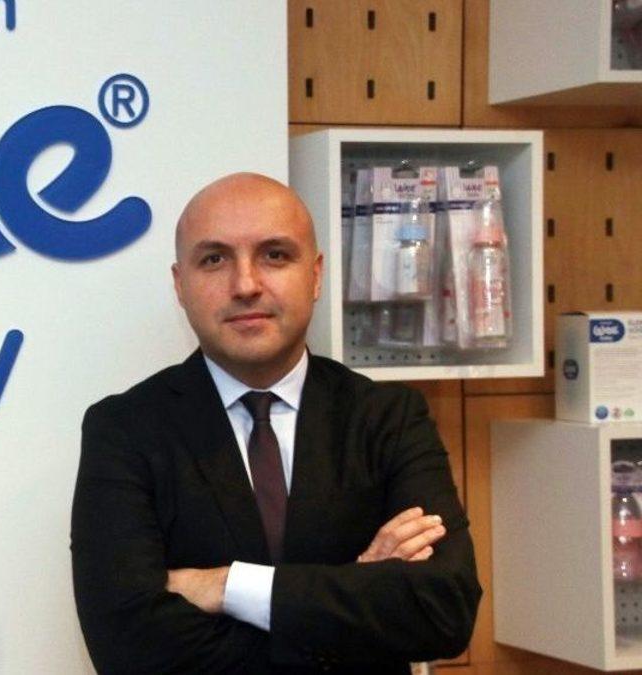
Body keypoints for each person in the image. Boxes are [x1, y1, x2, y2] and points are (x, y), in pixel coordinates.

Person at [70, 173, 481, 674]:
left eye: (275, 255)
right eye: (214, 259)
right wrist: (356, 592)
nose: (245, 285)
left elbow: (444, 612)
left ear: (316, 275)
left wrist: (227, 586)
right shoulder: (124, 430)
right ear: (180, 285)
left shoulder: (387, 418)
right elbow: (127, 648)